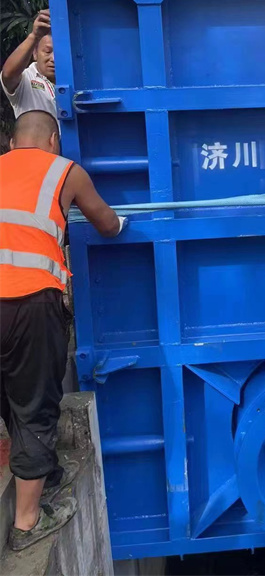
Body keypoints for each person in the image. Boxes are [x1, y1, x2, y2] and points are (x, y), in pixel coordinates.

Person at [0, 111, 126, 551]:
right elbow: (107, 224)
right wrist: (123, 223)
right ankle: (27, 522)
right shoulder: (65, 171)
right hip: (28, 303)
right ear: (54, 140)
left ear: (12, 143)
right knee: (35, 405)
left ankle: (42, 470)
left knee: (7, 396)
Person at [1, 9, 57, 121]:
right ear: (35, 53)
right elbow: (8, 74)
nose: (53, 59)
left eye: (59, 54)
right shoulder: (26, 79)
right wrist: (34, 36)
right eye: (47, 51)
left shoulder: (73, 79)